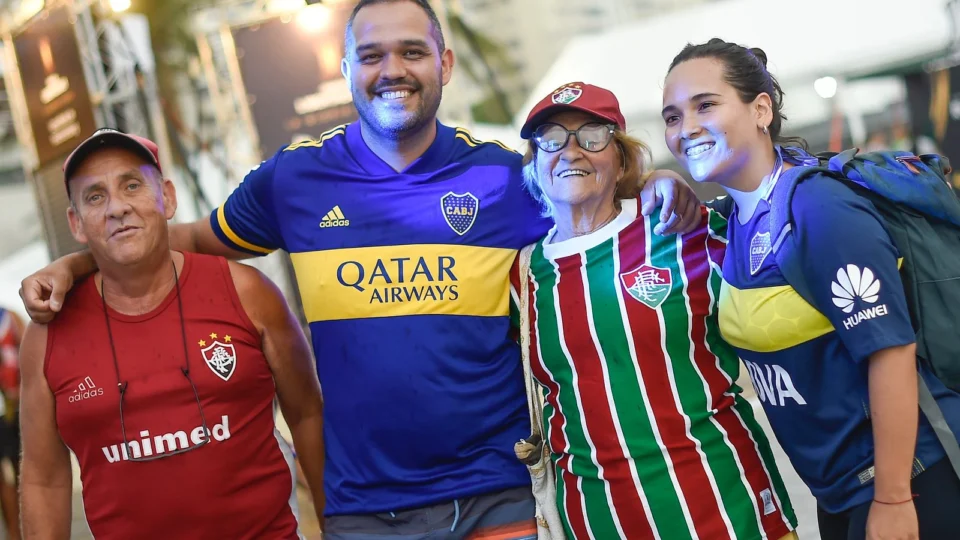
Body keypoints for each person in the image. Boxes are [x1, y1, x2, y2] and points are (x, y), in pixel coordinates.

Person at [18, 1, 702, 538]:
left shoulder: (504, 177)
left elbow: (594, 200)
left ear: (446, 61)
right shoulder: (292, 180)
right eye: (371, 55)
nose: (392, 69)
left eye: (412, 51)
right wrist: (76, 263)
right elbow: (182, 239)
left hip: (502, 496)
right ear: (347, 67)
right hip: (368, 514)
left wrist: (661, 185)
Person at [662, 38, 960, 540]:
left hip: (911, 482)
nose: (686, 128)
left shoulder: (816, 206)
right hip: (840, 493)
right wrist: (655, 180)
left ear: (761, 109)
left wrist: (891, 498)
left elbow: (890, 349)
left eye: (706, 105)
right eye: (671, 116)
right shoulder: (736, 218)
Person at [511, 81, 799, 540]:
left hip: (725, 504)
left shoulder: (682, 227)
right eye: (550, 139)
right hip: (598, 518)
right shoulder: (522, 274)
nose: (570, 152)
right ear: (535, 163)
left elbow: (778, 231)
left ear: (622, 157)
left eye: (591, 136)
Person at [18, 129, 326, 538]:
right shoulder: (47, 334)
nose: (117, 208)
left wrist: (337, 528)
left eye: (132, 185)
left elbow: (307, 417)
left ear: (167, 196)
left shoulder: (248, 293)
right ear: (75, 222)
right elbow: (43, 478)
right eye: (95, 196)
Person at [0, 307, 22, 540]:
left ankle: (22, 531)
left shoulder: (9, 317)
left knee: (22, 470)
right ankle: (14, 534)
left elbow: (28, 353)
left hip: (12, 409)